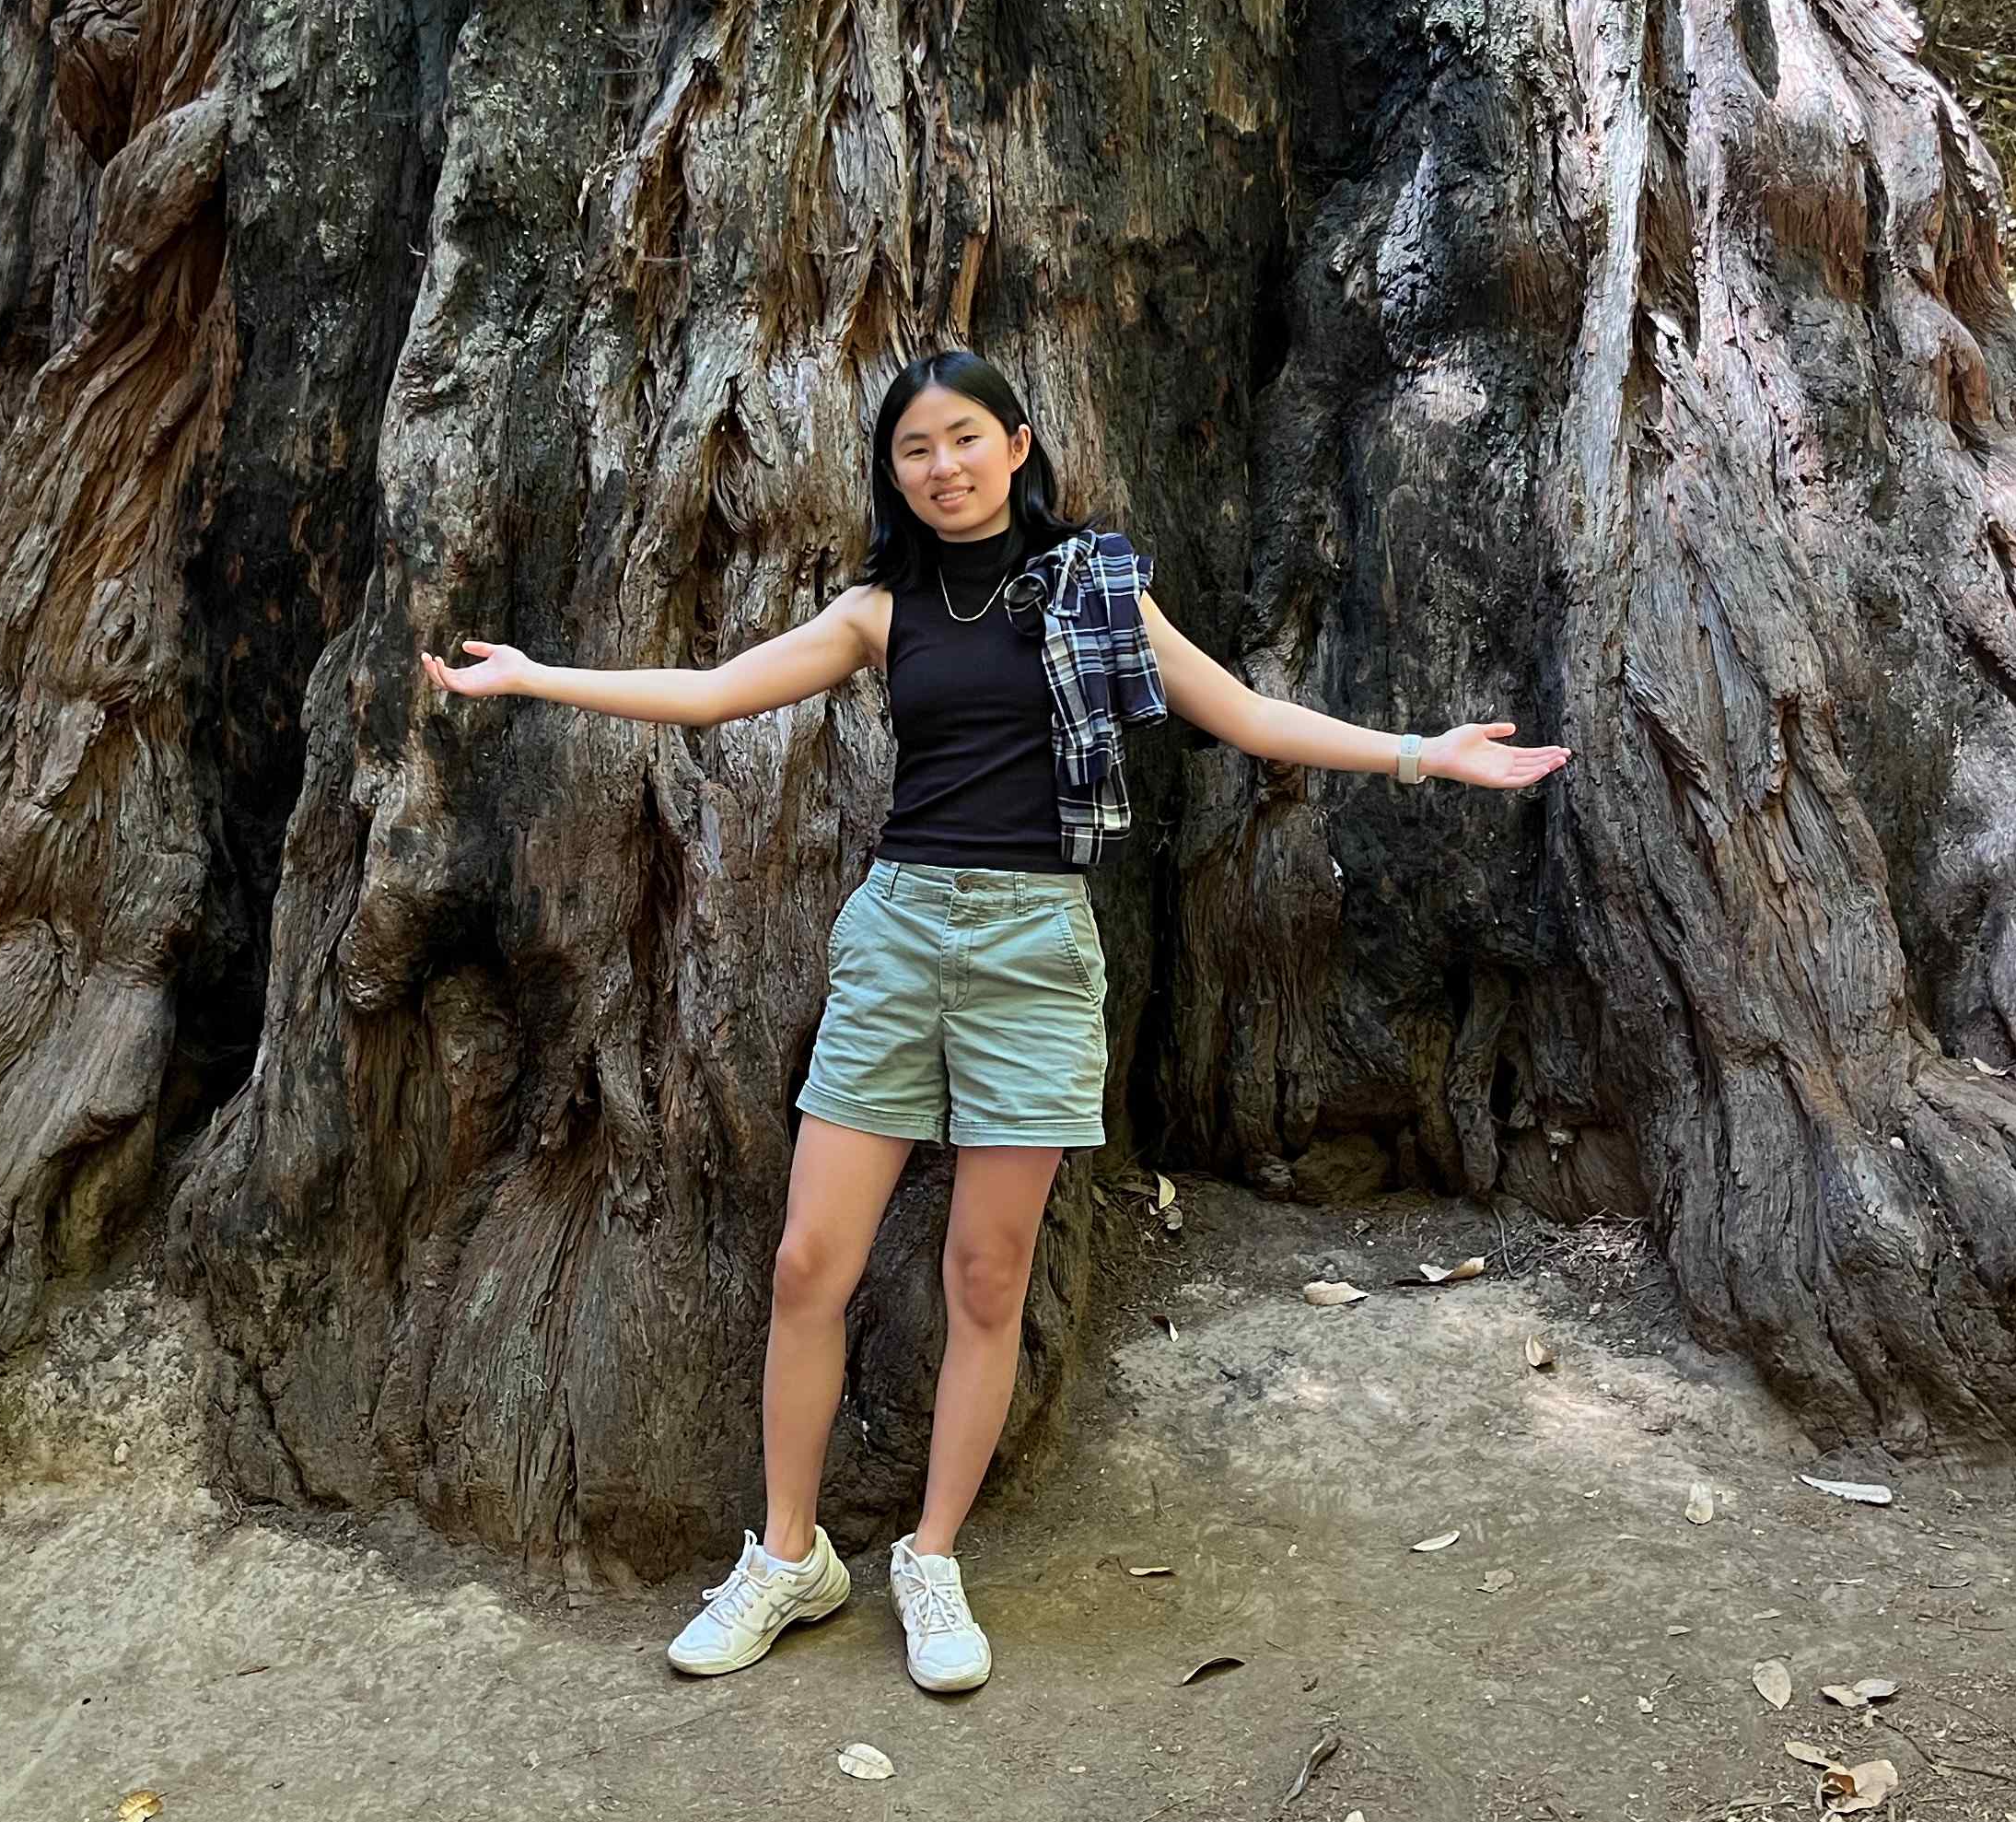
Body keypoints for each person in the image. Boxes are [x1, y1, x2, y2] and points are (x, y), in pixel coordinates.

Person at [419, 350, 1568, 1694]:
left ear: (1017, 447)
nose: (944, 467)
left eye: (966, 439)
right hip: (901, 932)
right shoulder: (879, 610)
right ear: (892, 472)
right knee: (808, 1264)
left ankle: (932, 1556)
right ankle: (789, 1558)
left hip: (1035, 945)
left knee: (986, 1277)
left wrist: (1425, 752)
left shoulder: (1098, 592)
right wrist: (537, 678)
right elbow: (718, 690)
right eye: (916, 449)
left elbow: (1245, 717)